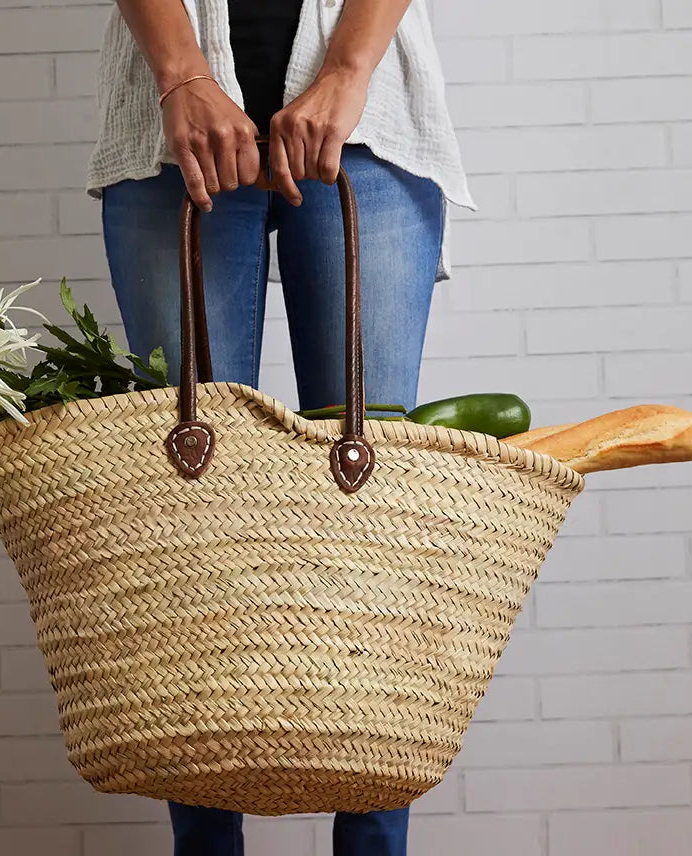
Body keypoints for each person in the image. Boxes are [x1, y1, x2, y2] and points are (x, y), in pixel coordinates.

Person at [86, 1, 473, 853]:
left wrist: (344, 72)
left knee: (371, 523)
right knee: (194, 524)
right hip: (171, 129)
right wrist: (184, 73)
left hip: (368, 126)